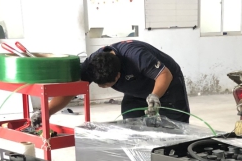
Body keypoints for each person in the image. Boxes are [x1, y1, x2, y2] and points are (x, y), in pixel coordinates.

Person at [32, 40, 190, 126]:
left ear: (119, 75)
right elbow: (71, 91)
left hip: (167, 83)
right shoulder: (92, 64)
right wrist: (46, 112)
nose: (102, 87)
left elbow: (164, 75)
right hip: (135, 91)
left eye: (107, 84)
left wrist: (155, 96)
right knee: (131, 127)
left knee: (176, 128)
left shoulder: (136, 56)